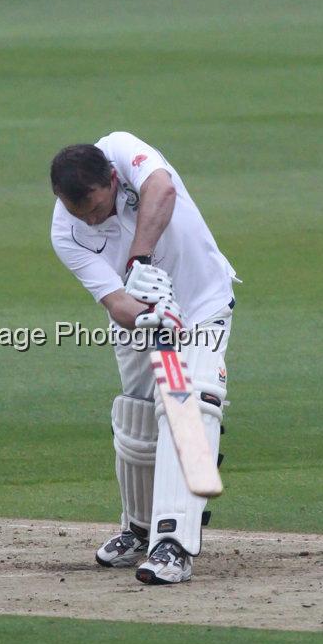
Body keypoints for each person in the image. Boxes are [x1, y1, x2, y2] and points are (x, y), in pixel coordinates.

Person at [50, 132, 237, 584]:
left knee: (189, 405)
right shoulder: (66, 231)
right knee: (137, 421)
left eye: (96, 209)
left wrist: (139, 261)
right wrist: (150, 314)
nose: (91, 221)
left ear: (112, 179)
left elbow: (163, 189)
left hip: (202, 303)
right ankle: (138, 528)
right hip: (142, 318)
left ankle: (173, 545)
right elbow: (115, 302)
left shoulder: (120, 149)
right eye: (81, 215)